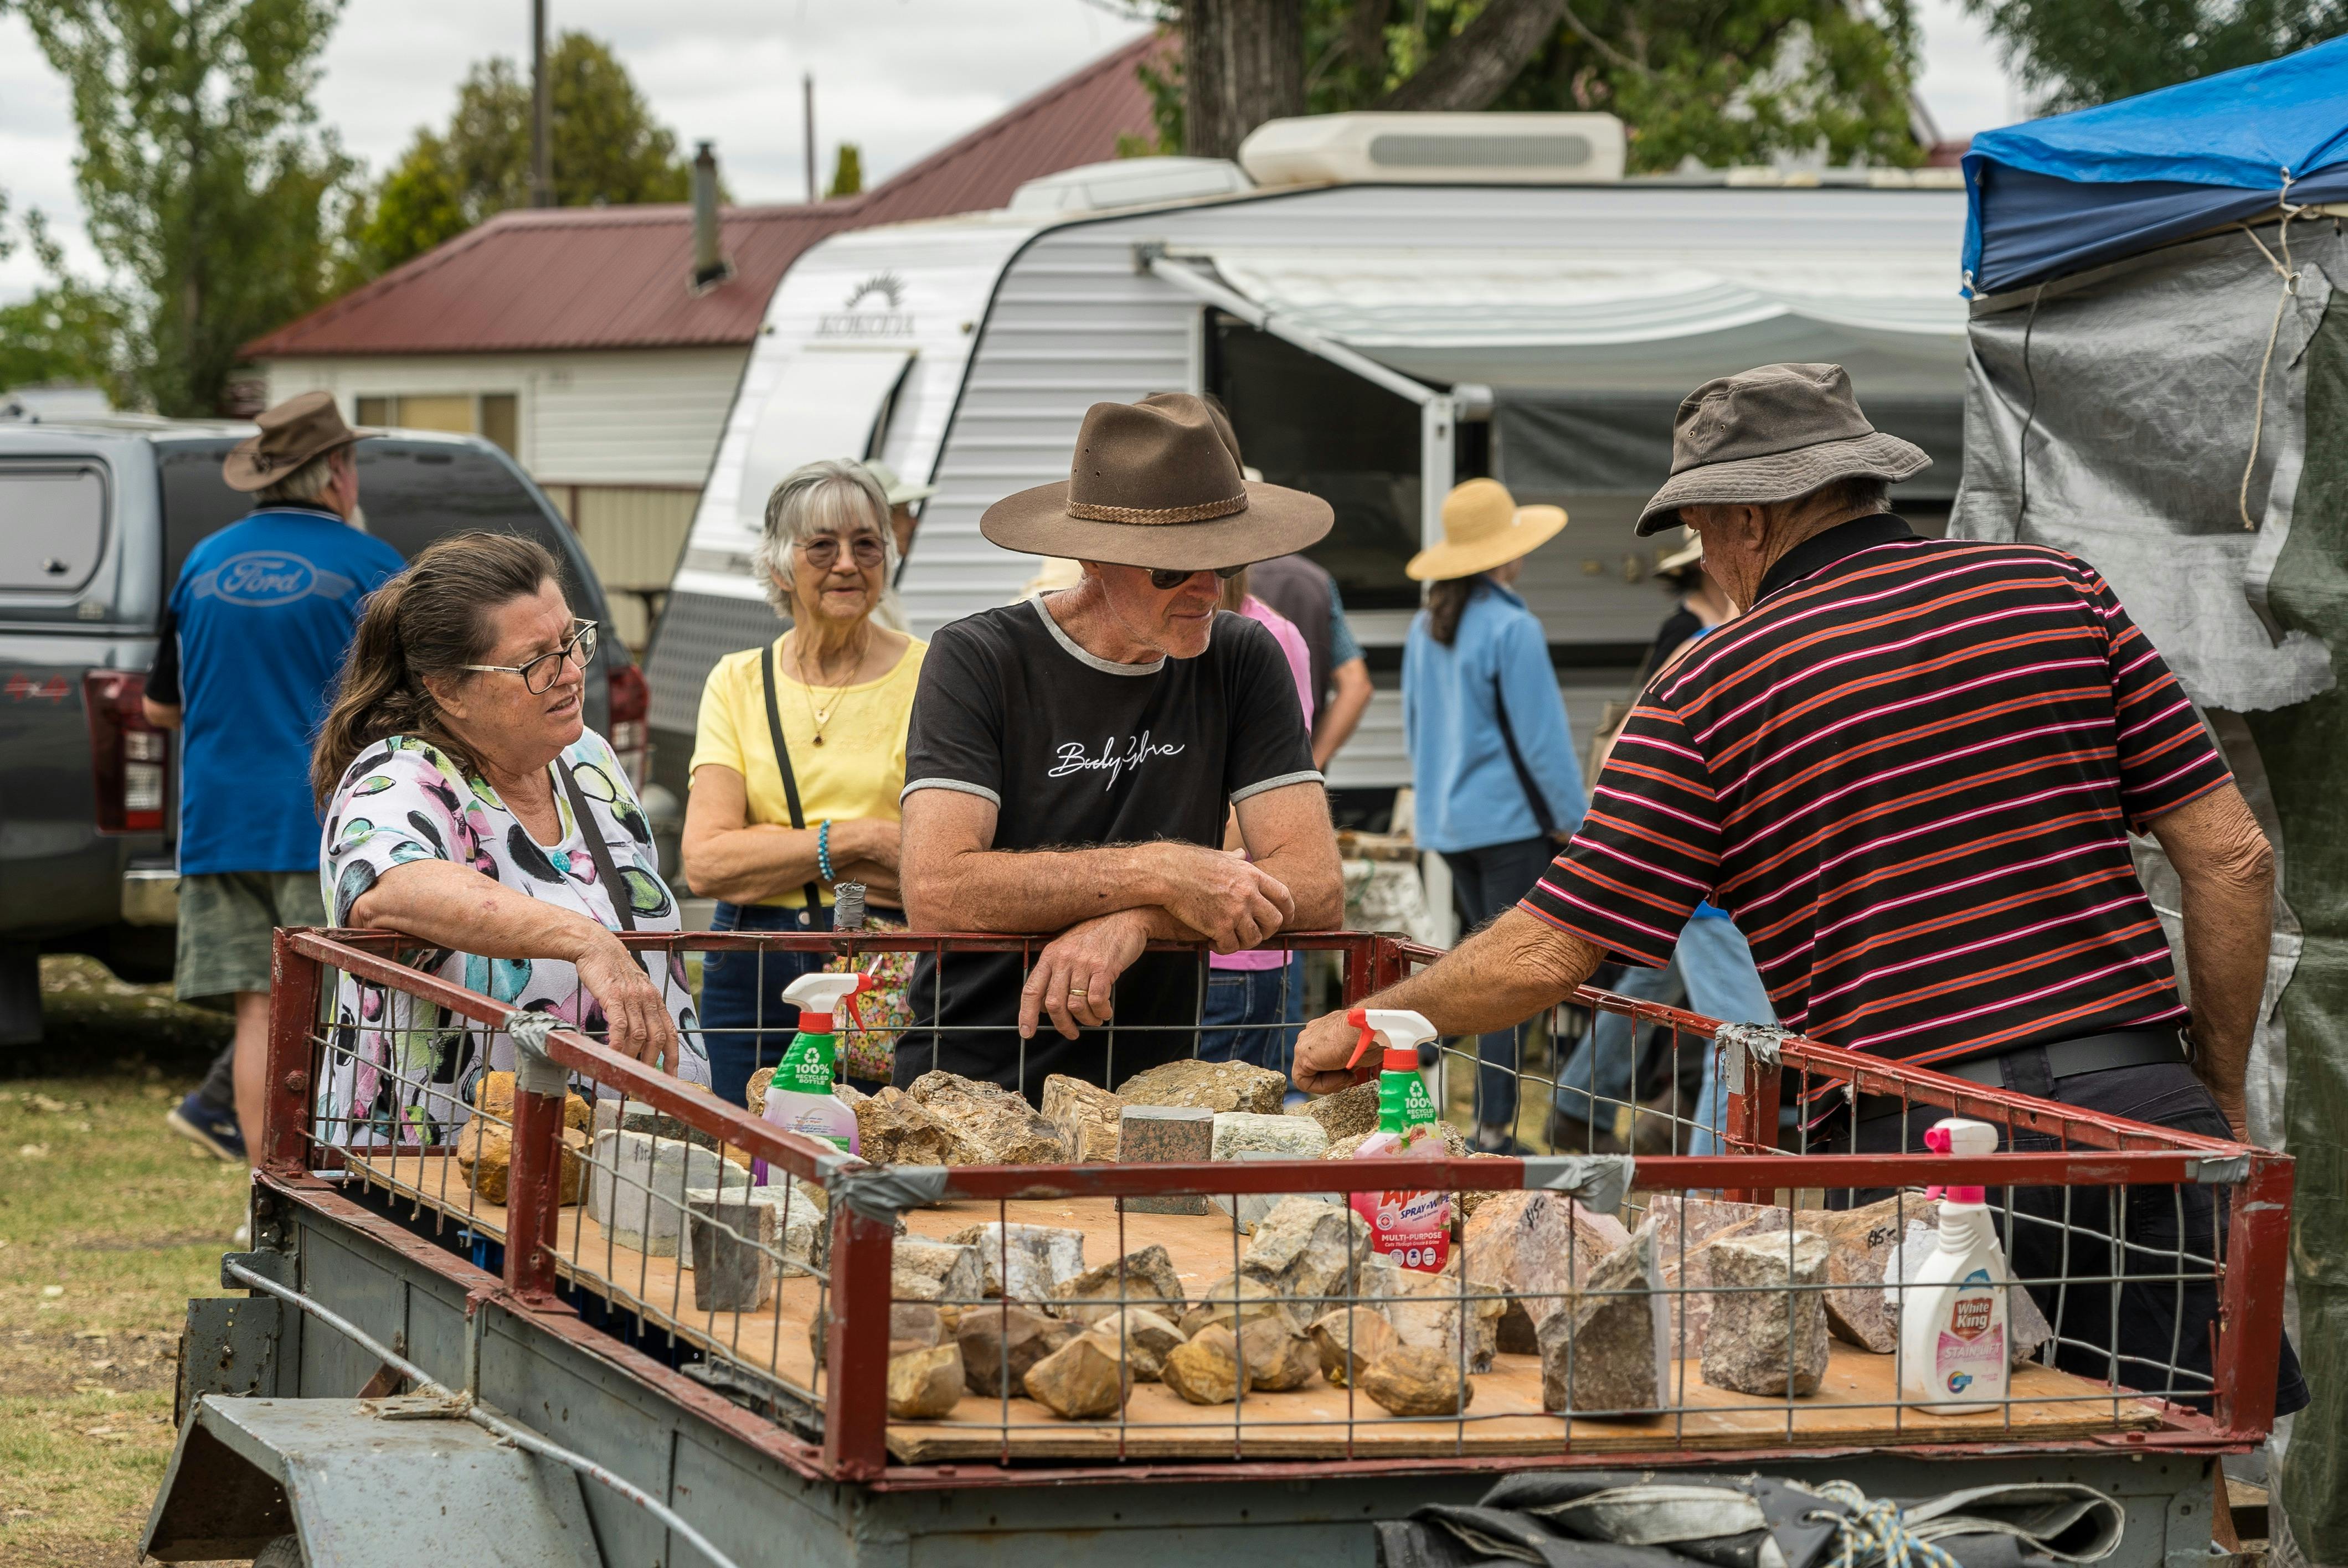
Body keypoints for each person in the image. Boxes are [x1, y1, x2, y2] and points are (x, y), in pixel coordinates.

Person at [1297, 361, 2306, 1415]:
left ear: (1746, 519)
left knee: (1931, 1486)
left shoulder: (1706, 688)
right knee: (2186, 1464)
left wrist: (1363, 1023)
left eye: (1698, 530)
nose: (1709, 563)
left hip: (1907, 1152)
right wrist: (2218, 1094)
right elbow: (2235, 856)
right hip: (2134, 1118)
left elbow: (1551, 948)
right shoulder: (2058, 591)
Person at [897, 392, 1345, 1098]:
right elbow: (937, 888)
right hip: (972, 1081)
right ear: (1094, 559)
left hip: (1156, 1088)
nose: (1207, 587)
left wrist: (1136, 920)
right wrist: (1162, 871)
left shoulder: (1241, 656)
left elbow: (1317, 887)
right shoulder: (978, 657)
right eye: (1172, 567)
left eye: (1224, 561)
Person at [313, 533, 702, 1142]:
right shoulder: (398, 778)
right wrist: (586, 942)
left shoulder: (589, 761)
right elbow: (387, 888)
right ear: (447, 688)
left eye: (573, 640)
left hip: (611, 1159)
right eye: (537, 661)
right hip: (441, 1181)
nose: (572, 673)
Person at [144, 391, 404, 1163]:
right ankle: (319, 1188)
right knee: (337, 1013)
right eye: (352, 463)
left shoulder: (202, 562)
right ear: (334, 473)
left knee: (259, 1013)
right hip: (328, 824)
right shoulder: (374, 566)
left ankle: (266, 1192)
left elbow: (162, 707)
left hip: (219, 825)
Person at [682, 461, 925, 1105]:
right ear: (780, 564)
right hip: (750, 964)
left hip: (879, 963)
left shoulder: (935, 677)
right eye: (822, 545)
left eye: (866, 544)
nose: (847, 563)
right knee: (743, 1152)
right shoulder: (737, 681)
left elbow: (936, 861)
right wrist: (858, 838)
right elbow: (706, 863)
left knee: (869, 1153)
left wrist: (768, 847)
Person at [1553, 529, 1774, 1156]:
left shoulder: (1704, 644)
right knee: (1746, 1037)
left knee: (1652, 989)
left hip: (1692, 880)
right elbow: (1632, 748)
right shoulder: (1713, 648)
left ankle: (1575, 1105)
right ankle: (1716, 1181)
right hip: (1713, 885)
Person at [1400, 478, 1584, 1153]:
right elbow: (1544, 742)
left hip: (1449, 826)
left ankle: (1431, 1081)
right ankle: (1495, 1131)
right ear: (1505, 552)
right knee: (1506, 982)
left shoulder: (1427, 626)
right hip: (1511, 826)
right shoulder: (1513, 625)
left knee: (1471, 965)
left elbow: (1416, 729)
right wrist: (1574, 820)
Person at [1198, 565, 1317, 1074]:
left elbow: (1272, 787)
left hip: (1234, 938)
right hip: (1172, 941)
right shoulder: (1154, 631)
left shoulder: (1268, 637)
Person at [1249, 551, 1374, 771]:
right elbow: (1356, 685)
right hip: (1295, 779)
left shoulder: (1209, 573)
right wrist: (1310, 766)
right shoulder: (1314, 579)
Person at [861, 458, 934, 635]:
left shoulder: (881, 588)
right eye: (906, 512)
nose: (914, 523)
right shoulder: (861, 597)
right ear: (882, 519)